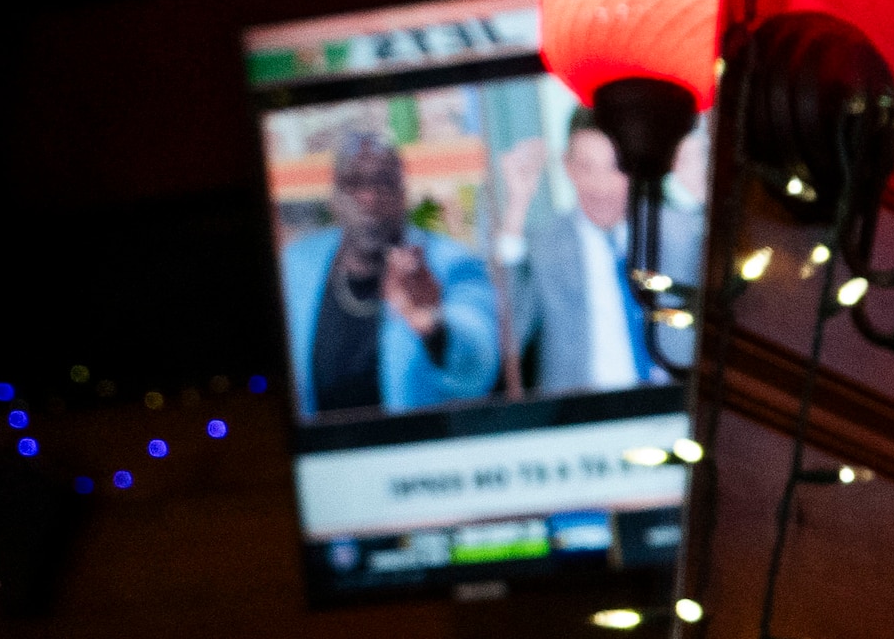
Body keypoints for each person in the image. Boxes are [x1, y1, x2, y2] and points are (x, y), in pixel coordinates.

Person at [277, 125, 498, 416]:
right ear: (334, 199)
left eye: (383, 182)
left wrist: (434, 327)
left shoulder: (449, 263)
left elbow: (480, 363)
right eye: (354, 184)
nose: (369, 198)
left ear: (403, 194)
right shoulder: (296, 265)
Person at [511, 112, 699, 398]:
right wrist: (515, 210)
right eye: (586, 168)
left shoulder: (684, 232)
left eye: (615, 168)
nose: (600, 187)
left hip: (676, 410)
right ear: (568, 167)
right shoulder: (543, 248)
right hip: (582, 424)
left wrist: (703, 195)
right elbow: (507, 343)